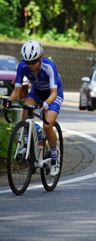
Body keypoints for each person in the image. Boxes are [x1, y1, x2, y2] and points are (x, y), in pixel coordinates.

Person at [4, 40, 64, 177]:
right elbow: (17, 90)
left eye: (33, 62)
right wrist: (9, 100)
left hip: (53, 94)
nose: (30, 65)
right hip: (36, 92)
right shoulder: (22, 66)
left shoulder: (49, 66)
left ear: (40, 57)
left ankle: (55, 157)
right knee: (26, 109)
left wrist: (47, 103)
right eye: (27, 62)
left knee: (48, 125)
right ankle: (26, 145)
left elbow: (54, 93)